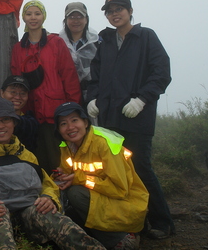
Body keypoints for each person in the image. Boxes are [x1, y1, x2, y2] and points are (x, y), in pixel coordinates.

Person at [0, 98, 104, 250]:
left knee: (48, 214)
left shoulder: (26, 155)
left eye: (6, 120)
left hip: (26, 219)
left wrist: (49, 198)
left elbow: (47, 186)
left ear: (14, 123)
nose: (1, 126)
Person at [87, 0, 174, 240]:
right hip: (109, 120)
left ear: (130, 11)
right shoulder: (105, 42)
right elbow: (95, 76)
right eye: (110, 10)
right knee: (116, 172)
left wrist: (142, 99)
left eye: (119, 9)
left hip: (137, 118)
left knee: (140, 168)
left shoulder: (145, 37)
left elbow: (161, 72)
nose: (115, 14)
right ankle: (133, 221)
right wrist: (92, 99)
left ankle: (162, 221)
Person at [54, 102, 148, 250]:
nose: (70, 127)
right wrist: (62, 177)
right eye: (63, 123)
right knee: (62, 194)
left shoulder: (104, 143)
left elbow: (120, 190)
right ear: (59, 130)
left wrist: (81, 179)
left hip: (127, 202)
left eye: (74, 120)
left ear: (85, 122)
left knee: (76, 194)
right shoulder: (67, 146)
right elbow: (70, 172)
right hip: (102, 199)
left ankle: (122, 239)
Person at [11, 0, 81, 174]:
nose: (33, 18)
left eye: (37, 13)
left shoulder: (56, 43)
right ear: (23, 18)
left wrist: (73, 110)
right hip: (31, 115)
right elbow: (16, 80)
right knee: (37, 161)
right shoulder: (19, 49)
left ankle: (65, 198)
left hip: (57, 115)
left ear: (44, 16)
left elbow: (69, 76)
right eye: (29, 14)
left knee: (61, 161)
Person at [58, 2, 101, 105]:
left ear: (86, 19)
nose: (76, 21)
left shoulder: (97, 42)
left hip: (94, 95)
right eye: (72, 17)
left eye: (80, 17)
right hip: (66, 95)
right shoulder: (57, 42)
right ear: (66, 20)